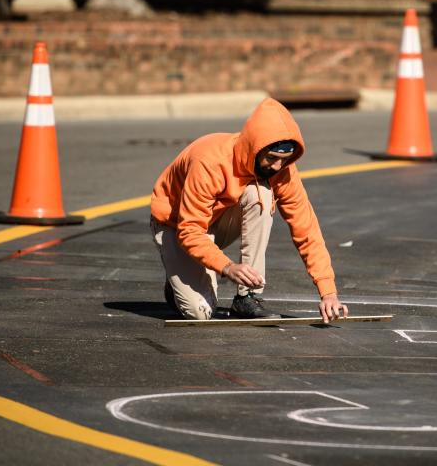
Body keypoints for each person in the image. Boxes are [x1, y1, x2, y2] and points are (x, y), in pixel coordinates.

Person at [149, 98, 348, 322]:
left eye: (284, 160)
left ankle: (248, 297)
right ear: (254, 147)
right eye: (271, 158)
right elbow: (190, 231)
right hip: (176, 226)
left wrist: (328, 292)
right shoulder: (209, 161)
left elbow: (306, 228)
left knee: (261, 194)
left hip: (219, 221)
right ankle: (177, 286)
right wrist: (227, 267)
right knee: (200, 313)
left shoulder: (282, 170)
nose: (277, 167)